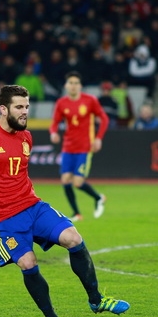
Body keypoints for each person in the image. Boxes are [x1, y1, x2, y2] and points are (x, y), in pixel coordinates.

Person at [0, 84, 129, 317]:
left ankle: (97, 300)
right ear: (3, 109)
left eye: (27, 106)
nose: (25, 112)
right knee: (28, 262)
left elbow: (14, 179)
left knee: (73, 238)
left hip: (32, 206)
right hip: (5, 218)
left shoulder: (26, 137)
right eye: (19, 107)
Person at [49, 71, 109, 221]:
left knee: (77, 182)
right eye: (71, 83)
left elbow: (104, 119)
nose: (73, 86)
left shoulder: (90, 100)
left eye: (76, 83)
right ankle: (77, 213)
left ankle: (98, 197)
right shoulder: (61, 103)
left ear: (80, 85)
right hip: (68, 146)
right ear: (66, 85)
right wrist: (53, 133)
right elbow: (55, 122)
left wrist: (98, 138)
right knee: (65, 180)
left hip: (84, 147)